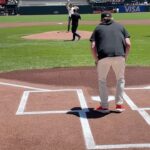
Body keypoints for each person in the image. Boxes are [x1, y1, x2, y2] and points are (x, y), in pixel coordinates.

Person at [90, 12, 131, 113]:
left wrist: (96, 60)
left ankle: (104, 106)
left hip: (103, 57)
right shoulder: (121, 26)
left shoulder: (98, 28)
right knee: (120, 79)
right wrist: (125, 57)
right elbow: (128, 44)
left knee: (102, 81)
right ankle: (119, 105)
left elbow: (93, 46)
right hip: (120, 56)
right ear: (112, 18)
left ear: (101, 19)